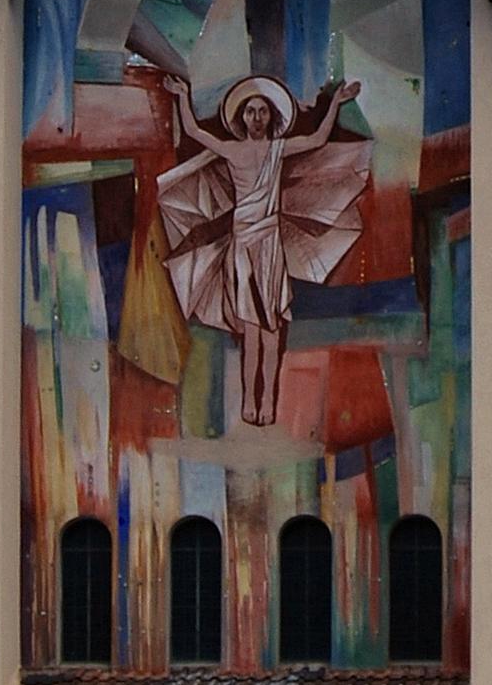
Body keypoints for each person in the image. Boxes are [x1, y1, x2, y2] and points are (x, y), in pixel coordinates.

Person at [152, 72, 369, 428]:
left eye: (262, 111)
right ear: (242, 117)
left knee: (272, 329)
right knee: (252, 329)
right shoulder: (233, 149)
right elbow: (193, 131)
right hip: (243, 246)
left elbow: (318, 138)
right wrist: (182, 95)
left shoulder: (278, 149)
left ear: (271, 116)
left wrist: (336, 102)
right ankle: (249, 402)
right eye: (250, 111)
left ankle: (268, 400)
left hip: (270, 245)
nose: (256, 117)